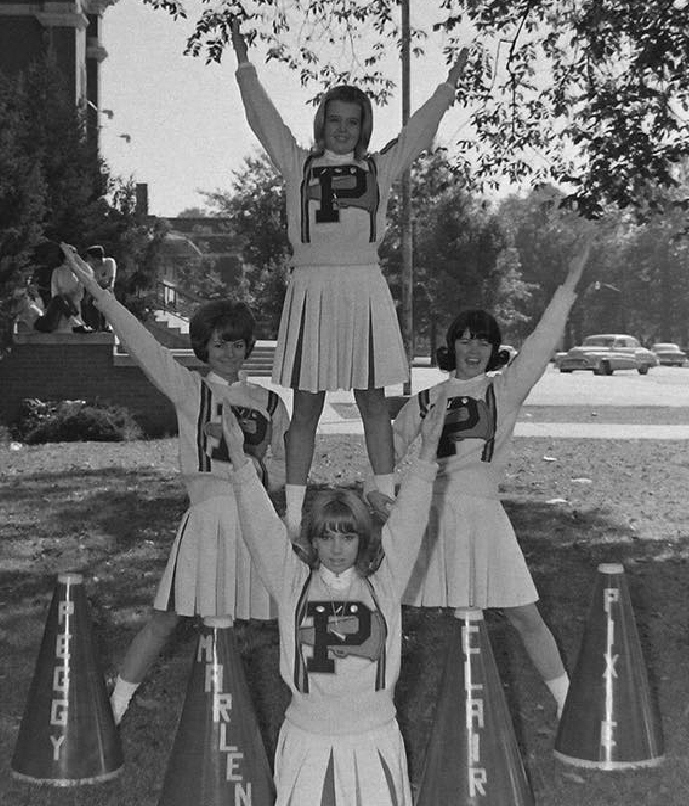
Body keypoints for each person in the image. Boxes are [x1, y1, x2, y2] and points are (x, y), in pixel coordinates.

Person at [230, 20, 469, 540]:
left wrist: (447, 88)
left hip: (362, 287)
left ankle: (382, 502)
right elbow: (263, 120)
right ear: (323, 122)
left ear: (363, 127)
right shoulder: (298, 165)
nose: (343, 129)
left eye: (352, 122)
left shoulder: (380, 170)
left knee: (372, 402)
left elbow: (419, 132)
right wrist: (246, 67)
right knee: (307, 406)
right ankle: (294, 517)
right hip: (311, 289)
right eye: (335, 120)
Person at [60, 243, 291, 725]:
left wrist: (275, 496)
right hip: (207, 514)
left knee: (285, 614)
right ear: (203, 346)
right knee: (169, 613)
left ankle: (305, 708)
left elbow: (286, 468)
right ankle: (117, 703)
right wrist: (101, 296)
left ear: (248, 348)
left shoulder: (270, 403)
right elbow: (144, 346)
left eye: (237, 344)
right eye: (219, 343)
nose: (229, 352)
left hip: (257, 519)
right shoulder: (192, 390)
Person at [220, 385, 446, 806]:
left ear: (363, 541)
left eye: (347, 537)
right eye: (327, 537)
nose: (337, 547)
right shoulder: (293, 582)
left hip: (371, 729)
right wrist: (241, 465)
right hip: (311, 730)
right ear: (313, 541)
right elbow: (261, 527)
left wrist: (427, 455)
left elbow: (409, 522)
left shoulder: (384, 584)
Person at [391, 243, 592, 721]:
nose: (474, 348)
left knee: (523, 612)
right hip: (428, 514)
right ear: (451, 346)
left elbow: (542, 344)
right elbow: (384, 457)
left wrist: (567, 288)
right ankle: (375, 707)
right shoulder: (426, 399)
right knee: (390, 608)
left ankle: (570, 706)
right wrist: (376, 497)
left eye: (483, 340)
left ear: (493, 348)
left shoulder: (504, 390)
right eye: (465, 339)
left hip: (483, 511)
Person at [82, 245, 116, 332]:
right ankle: (95, 326)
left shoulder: (109, 262)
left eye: (90, 258)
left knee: (105, 296)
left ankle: (106, 325)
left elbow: (110, 280)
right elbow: (90, 282)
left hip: (105, 289)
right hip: (94, 290)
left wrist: (102, 286)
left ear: (96, 259)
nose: (88, 260)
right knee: (90, 302)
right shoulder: (89, 266)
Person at [50, 251, 91, 325]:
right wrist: (61, 298)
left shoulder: (77, 270)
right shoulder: (57, 271)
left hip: (75, 301)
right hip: (63, 302)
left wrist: (76, 296)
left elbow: (82, 283)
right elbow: (54, 287)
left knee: (76, 320)